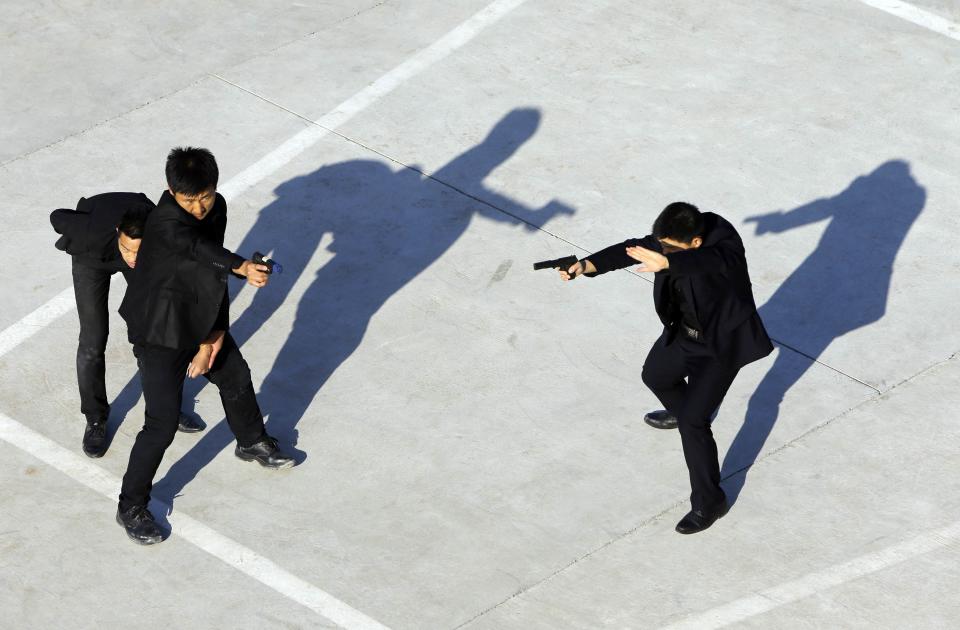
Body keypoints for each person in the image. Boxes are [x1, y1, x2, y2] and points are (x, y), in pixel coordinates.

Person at [116, 147, 294, 544]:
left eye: (205, 196)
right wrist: (242, 266)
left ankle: (250, 442)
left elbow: (209, 275)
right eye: (188, 199)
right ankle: (130, 505)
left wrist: (214, 335)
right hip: (159, 329)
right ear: (170, 191)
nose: (199, 207)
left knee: (236, 375)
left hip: (198, 314)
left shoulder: (218, 207)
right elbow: (201, 250)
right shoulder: (164, 223)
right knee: (160, 425)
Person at [560, 202, 773, 534]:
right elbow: (633, 250)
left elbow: (712, 263)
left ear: (694, 243)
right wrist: (587, 265)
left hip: (720, 346)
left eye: (669, 249)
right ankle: (690, 409)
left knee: (693, 423)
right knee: (655, 375)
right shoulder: (671, 241)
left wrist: (671, 261)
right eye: (660, 245)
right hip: (683, 334)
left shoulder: (723, 246)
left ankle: (709, 501)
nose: (660, 252)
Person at [50, 193, 204, 458]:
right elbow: (57, 216)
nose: (132, 257)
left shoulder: (161, 235)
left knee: (154, 331)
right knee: (92, 338)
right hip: (92, 256)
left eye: (139, 251)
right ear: (119, 232)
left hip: (138, 242)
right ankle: (95, 418)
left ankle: (163, 408)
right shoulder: (90, 234)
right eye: (129, 250)